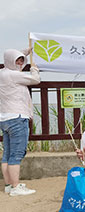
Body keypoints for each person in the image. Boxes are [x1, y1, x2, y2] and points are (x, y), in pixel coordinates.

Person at [0, 48, 40, 196]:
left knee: (8, 154)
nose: (20, 63)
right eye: (17, 60)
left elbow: (12, 56)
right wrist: (34, 68)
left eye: (22, 60)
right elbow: (35, 80)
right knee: (16, 154)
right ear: (11, 61)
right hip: (17, 117)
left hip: (5, 118)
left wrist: (26, 51)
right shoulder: (13, 75)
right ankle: (16, 187)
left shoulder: (3, 73)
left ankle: (9, 185)